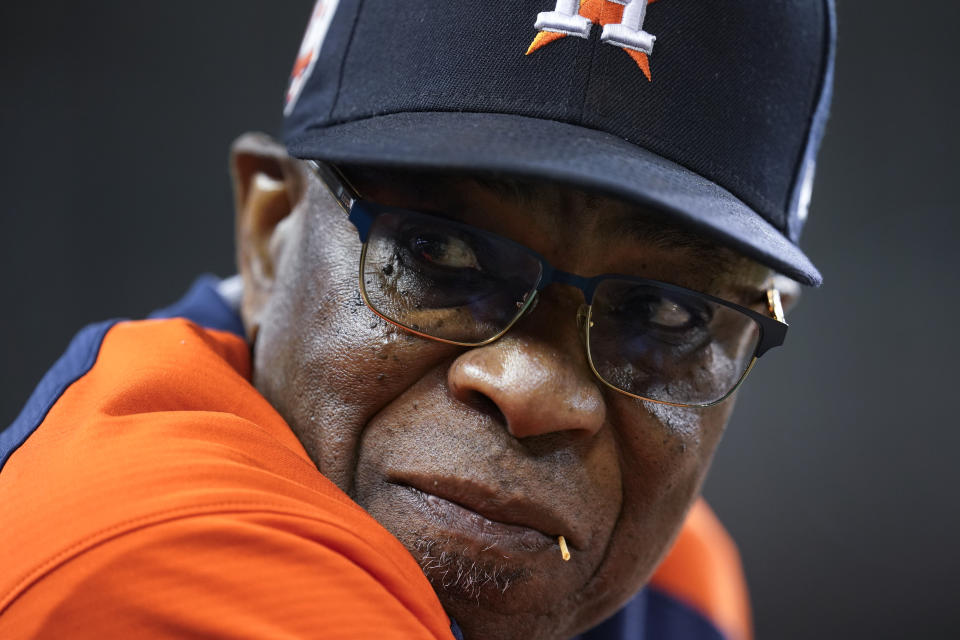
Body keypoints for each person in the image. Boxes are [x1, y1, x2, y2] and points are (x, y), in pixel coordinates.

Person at [0, 1, 835, 639]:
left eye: (666, 312)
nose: (535, 390)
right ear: (268, 234)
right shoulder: (150, 557)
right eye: (440, 254)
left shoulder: (673, 586)